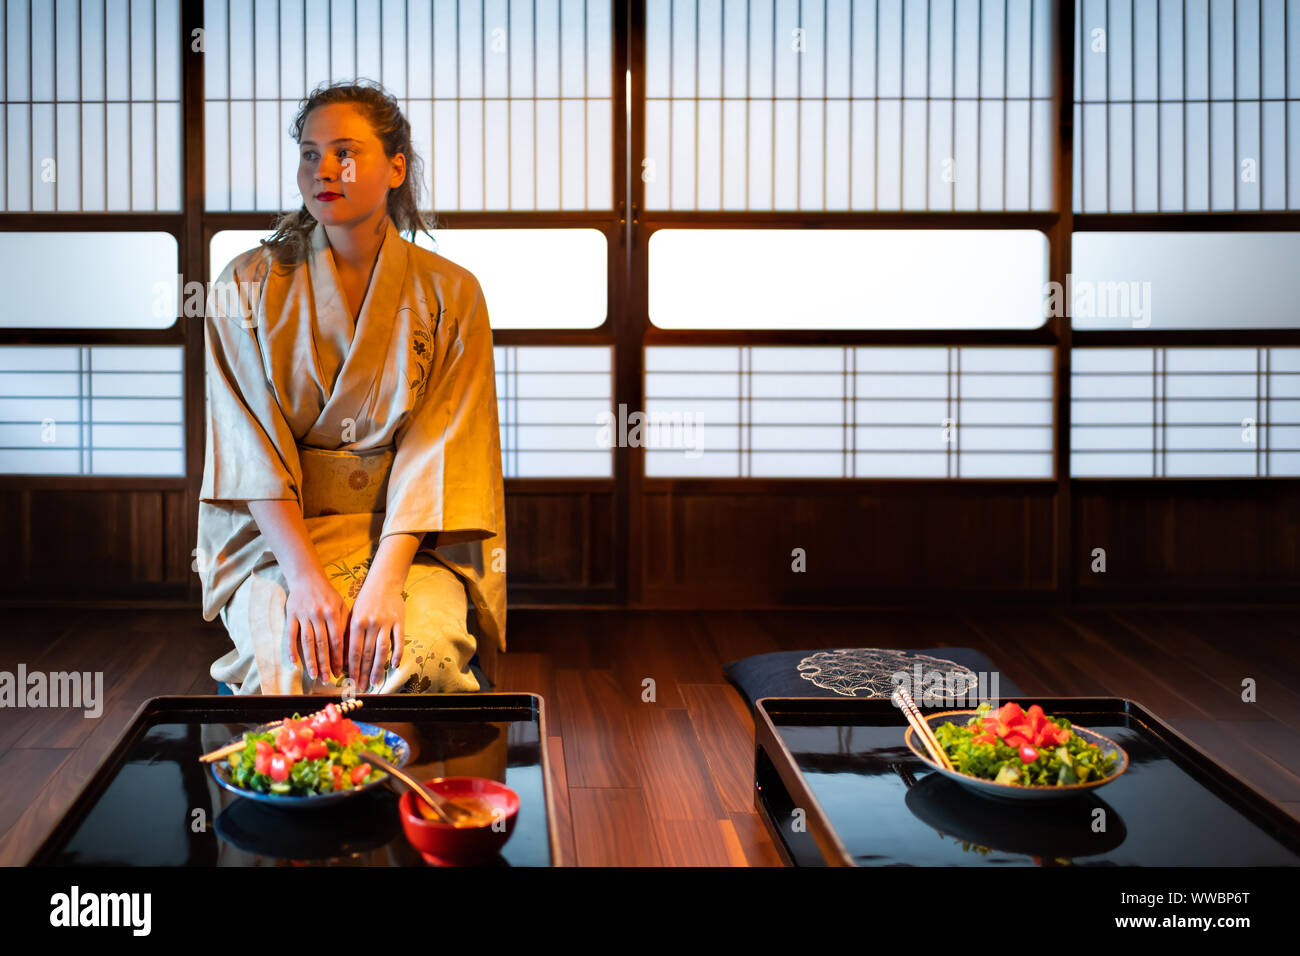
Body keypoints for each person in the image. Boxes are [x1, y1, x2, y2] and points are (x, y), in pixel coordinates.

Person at [197, 79, 506, 695]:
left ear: (396, 166)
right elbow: (249, 451)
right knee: (292, 668)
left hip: (403, 542)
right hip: (279, 543)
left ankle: (408, 793)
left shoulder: (452, 293)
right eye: (309, 153)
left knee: (421, 659)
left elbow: (439, 453)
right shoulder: (245, 284)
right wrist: (306, 581)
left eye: (345, 151)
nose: (323, 170)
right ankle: (296, 791)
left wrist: (387, 582)